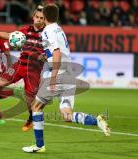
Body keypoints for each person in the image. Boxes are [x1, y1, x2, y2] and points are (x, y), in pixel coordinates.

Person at [22, 4, 111, 153]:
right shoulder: (58, 29)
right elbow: (56, 52)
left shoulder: (47, 31)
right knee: (67, 115)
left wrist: (53, 76)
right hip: (70, 73)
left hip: (59, 74)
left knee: (36, 107)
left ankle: (39, 145)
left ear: (45, 17)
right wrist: (46, 56)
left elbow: (56, 53)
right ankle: (97, 120)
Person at [0, 5, 46, 131]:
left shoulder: (47, 34)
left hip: (33, 69)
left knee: (29, 100)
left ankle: (30, 119)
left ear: (45, 20)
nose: (39, 20)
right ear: (33, 17)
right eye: (37, 17)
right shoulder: (25, 30)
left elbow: (52, 51)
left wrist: (44, 57)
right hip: (20, 64)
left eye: (42, 18)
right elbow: (9, 35)